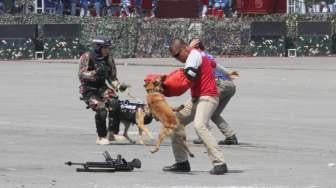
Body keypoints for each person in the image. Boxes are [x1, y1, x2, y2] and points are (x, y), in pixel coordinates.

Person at [163, 38, 228, 175]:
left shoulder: (193, 55)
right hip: (196, 98)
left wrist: (164, 86)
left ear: (185, 48)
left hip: (208, 96)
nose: (177, 58)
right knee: (174, 123)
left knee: (200, 126)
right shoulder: (198, 54)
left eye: (177, 54)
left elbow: (186, 77)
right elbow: (214, 64)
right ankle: (182, 163)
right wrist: (228, 73)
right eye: (174, 57)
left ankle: (220, 163)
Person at [78, 36, 128, 145]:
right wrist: (94, 73)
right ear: (98, 47)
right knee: (101, 109)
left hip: (102, 87)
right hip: (88, 89)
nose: (108, 50)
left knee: (114, 103)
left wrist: (119, 86)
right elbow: (81, 75)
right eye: (105, 48)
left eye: (109, 48)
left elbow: (112, 77)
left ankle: (112, 134)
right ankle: (101, 137)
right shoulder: (86, 57)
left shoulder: (109, 58)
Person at [189, 38, 239, 145]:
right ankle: (230, 136)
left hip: (219, 84)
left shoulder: (197, 56)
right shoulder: (206, 55)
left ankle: (204, 136)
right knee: (214, 113)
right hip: (229, 85)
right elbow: (217, 66)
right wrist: (229, 72)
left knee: (202, 107)